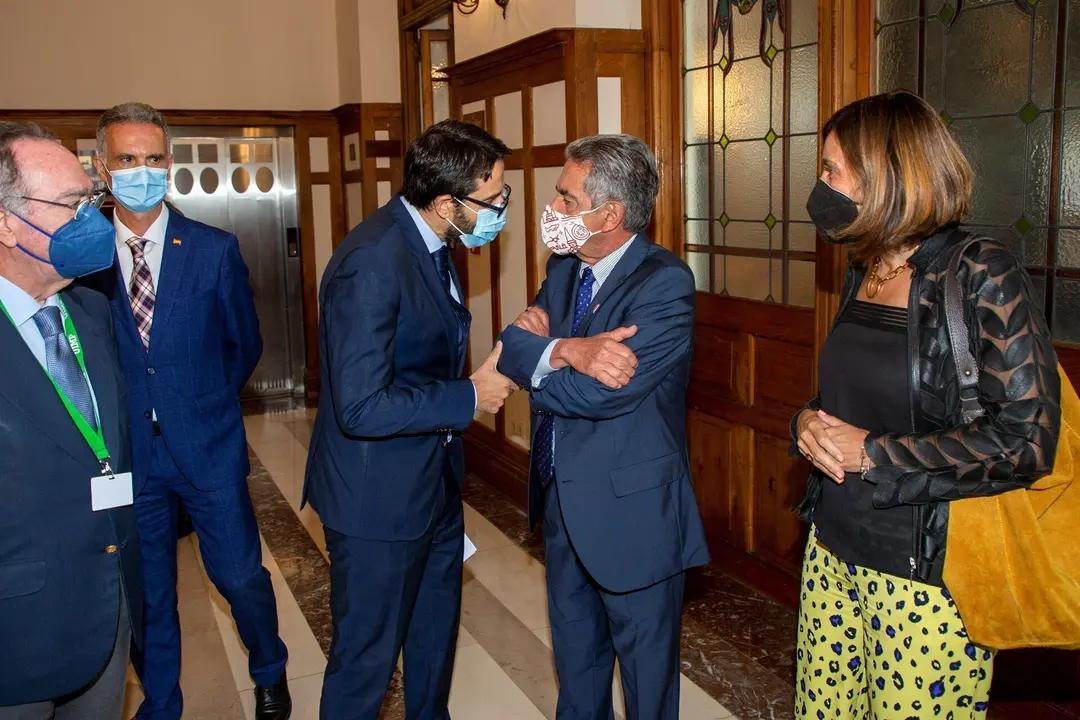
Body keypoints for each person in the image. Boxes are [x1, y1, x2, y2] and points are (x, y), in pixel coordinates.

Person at [791, 91, 1061, 719]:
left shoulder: (981, 273)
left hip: (928, 577)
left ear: (886, 174)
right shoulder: (867, 269)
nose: (821, 186)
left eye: (832, 170)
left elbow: (1026, 441)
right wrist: (805, 421)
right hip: (832, 551)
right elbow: (855, 394)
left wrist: (876, 455)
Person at [302, 119, 517, 720]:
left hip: (432, 482)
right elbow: (362, 405)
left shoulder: (432, 240)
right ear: (447, 201)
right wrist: (467, 398)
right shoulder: (374, 260)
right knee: (366, 661)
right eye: (494, 197)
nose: (501, 208)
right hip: (377, 499)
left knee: (432, 640)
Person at [86, 103, 291, 720]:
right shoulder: (82, 256)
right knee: (148, 594)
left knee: (239, 576)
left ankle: (270, 668)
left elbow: (244, 344)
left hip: (207, 444)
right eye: (127, 159)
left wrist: (201, 402)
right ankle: (162, 702)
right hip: (127, 456)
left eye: (152, 159)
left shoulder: (212, 249)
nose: (141, 171)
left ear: (168, 165)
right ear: (102, 166)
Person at [496, 134, 709, 720]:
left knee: (646, 687)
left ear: (609, 214)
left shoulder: (664, 284)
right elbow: (512, 343)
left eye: (566, 199)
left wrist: (544, 356)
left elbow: (597, 396)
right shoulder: (563, 267)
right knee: (577, 673)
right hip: (563, 503)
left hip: (632, 517)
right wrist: (569, 349)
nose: (553, 210)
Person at [0, 122, 142, 718]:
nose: (92, 220)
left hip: (108, 613)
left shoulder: (89, 309)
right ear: (7, 221)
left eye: (92, 200)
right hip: (18, 637)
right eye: (71, 204)